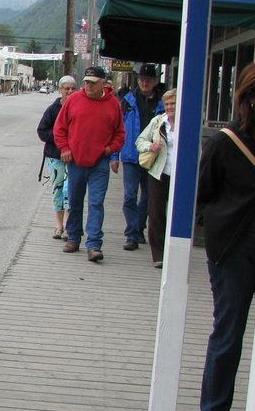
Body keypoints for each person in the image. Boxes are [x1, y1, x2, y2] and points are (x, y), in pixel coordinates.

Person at [197, 61, 255, 411]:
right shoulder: (225, 142)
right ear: (251, 97)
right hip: (235, 248)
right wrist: (220, 231)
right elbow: (203, 196)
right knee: (229, 333)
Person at [53, 65, 125, 262]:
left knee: (96, 203)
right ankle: (74, 238)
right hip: (75, 161)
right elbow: (59, 128)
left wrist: (111, 150)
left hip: (100, 163)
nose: (88, 86)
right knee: (75, 201)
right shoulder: (74, 100)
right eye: (86, 82)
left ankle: (93, 244)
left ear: (103, 83)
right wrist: (65, 148)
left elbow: (120, 133)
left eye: (93, 83)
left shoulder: (113, 104)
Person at [119, 63, 166, 251]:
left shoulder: (163, 104)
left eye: (148, 80)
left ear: (155, 82)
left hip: (153, 155)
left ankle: (138, 229)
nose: (144, 82)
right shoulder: (127, 100)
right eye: (141, 79)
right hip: (131, 155)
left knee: (148, 196)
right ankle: (132, 233)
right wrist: (115, 155)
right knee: (130, 195)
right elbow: (119, 128)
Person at [135, 89, 176, 268]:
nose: (169, 107)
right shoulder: (158, 122)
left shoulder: (187, 123)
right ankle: (158, 253)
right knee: (157, 212)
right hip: (159, 172)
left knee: (176, 213)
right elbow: (139, 141)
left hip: (179, 175)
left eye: (173, 103)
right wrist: (150, 146)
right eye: (167, 104)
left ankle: (174, 250)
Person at [37, 75, 76, 239]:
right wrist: (59, 138)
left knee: (70, 190)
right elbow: (42, 131)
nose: (70, 91)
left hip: (74, 157)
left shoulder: (78, 108)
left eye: (73, 88)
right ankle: (59, 226)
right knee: (58, 189)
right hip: (55, 156)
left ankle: (69, 226)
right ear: (60, 90)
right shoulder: (53, 110)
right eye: (66, 88)